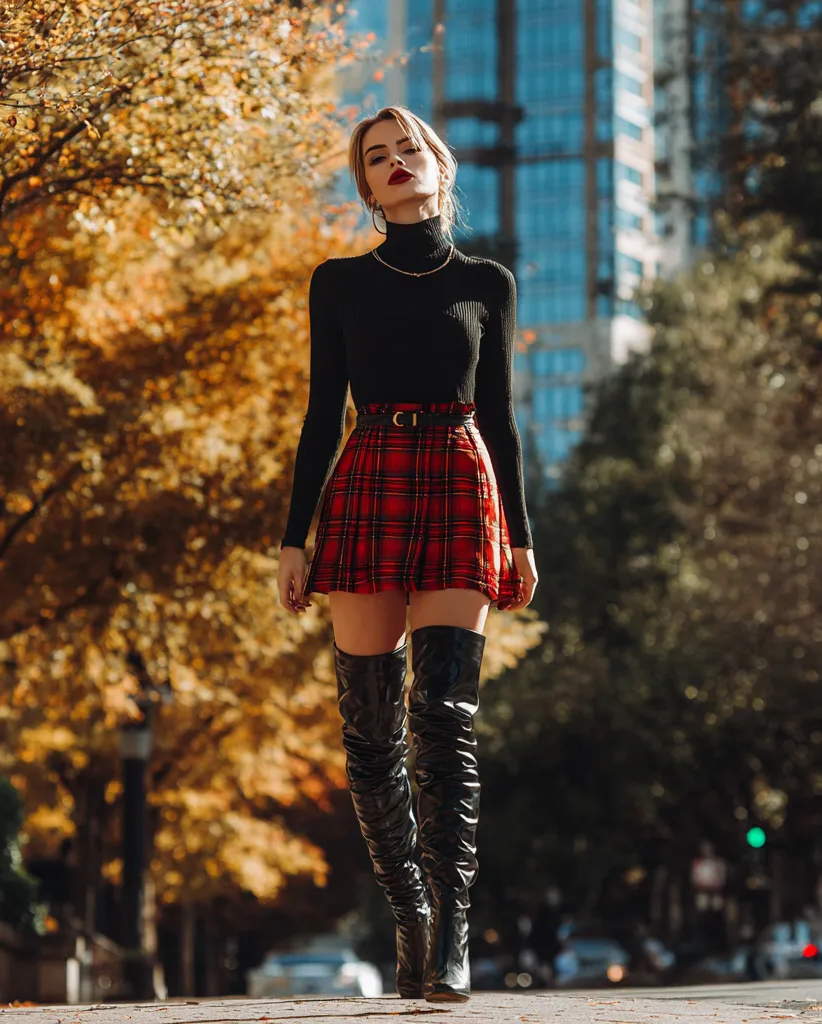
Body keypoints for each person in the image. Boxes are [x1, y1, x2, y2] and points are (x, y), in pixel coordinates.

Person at [276, 105, 538, 1003]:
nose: (394, 164)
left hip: (463, 485)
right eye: (376, 158)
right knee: (371, 732)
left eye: (408, 151)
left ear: (439, 167)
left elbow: (500, 418)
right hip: (368, 479)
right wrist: (291, 538)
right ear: (365, 186)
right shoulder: (338, 282)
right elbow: (320, 416)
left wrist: (523, 536)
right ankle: (412, 913)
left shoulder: (487, 281)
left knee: (446, 717)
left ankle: (456, 927)